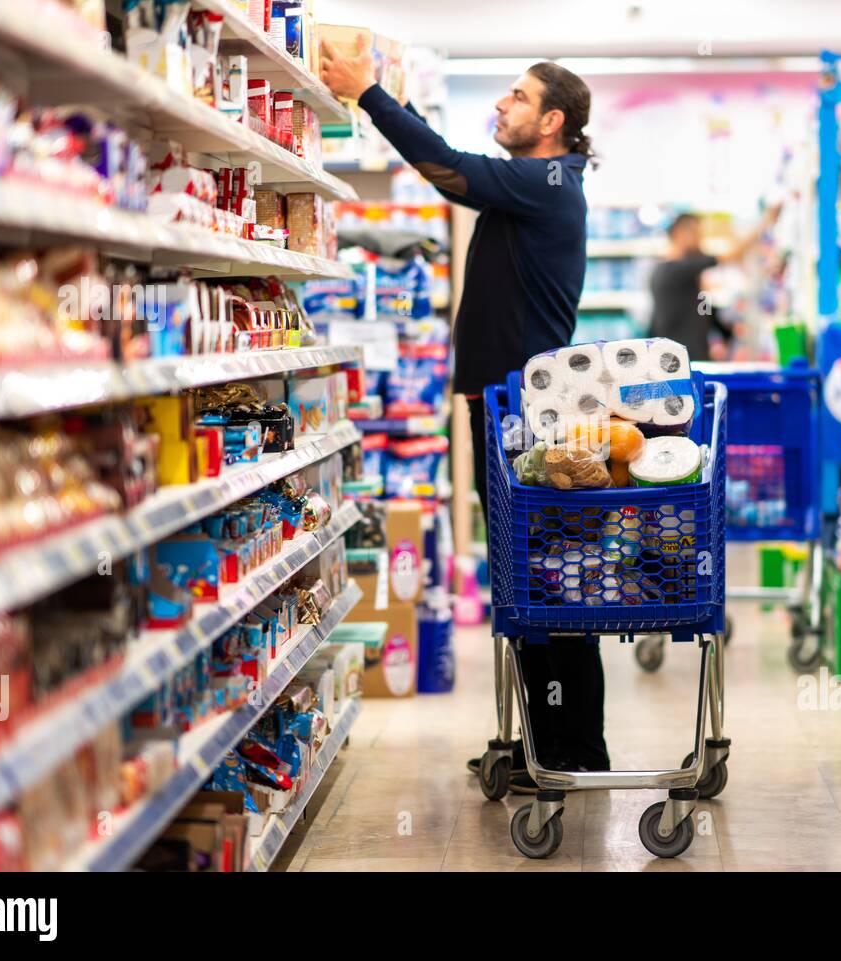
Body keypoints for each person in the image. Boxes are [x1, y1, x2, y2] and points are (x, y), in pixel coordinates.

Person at [319, 43, 609, 791]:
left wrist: (372, 95)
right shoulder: (536, 183)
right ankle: (552, 745)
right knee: (529, 585)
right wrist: (391, 103)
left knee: (549, 584)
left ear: (552, 121)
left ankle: (575, 753)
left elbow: (446, 170)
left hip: (527, 419)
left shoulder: (549, 180)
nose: (499, 107)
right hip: (508, 408)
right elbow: (453, 167)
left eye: (514, 97)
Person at [648, 206, 780, 361]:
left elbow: (702, 309)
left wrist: (725, 331)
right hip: (677, 363)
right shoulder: (671, 271)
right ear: (680, 234)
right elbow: (730, 256)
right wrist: (766, 220)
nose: (699, 240)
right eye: (695, 234)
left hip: (691, 358)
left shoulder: (688, 276)